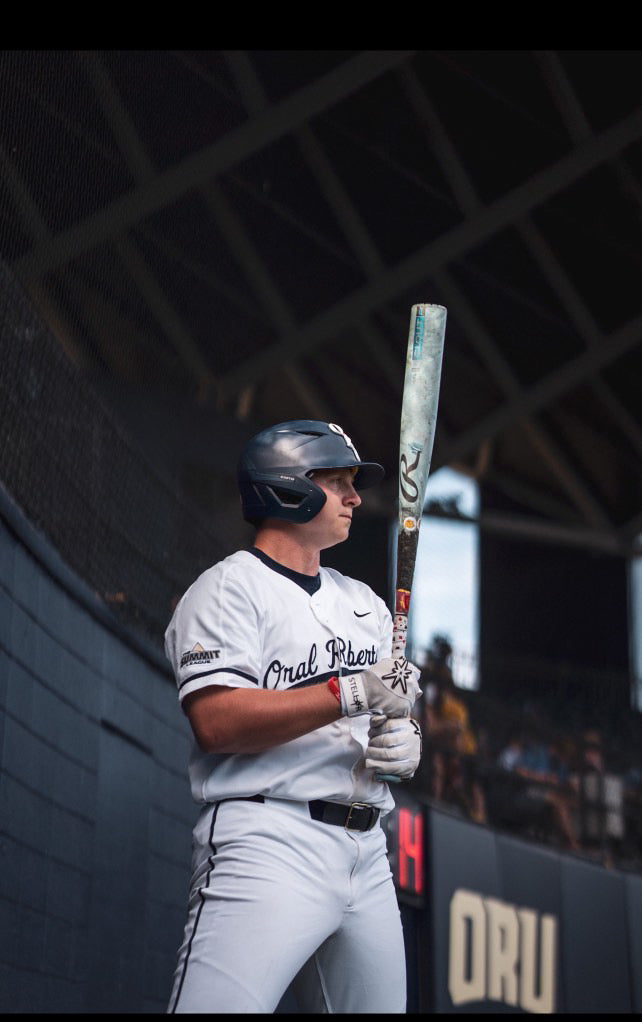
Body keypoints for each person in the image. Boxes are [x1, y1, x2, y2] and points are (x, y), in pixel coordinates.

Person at [164, 420, 422, 1014]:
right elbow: (218, 723)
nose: (356, 498)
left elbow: (389, 705)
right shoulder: (228, 589)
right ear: (288, 488)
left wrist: (403, 737)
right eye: (338, 482)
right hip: (267, 839)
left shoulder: (366, 604)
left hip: (367, 850)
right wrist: (351, 692)